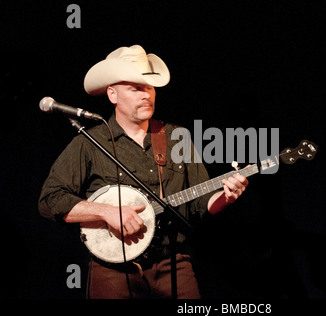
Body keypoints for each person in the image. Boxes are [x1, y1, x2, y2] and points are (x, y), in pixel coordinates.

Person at [38, 44, 248, 299]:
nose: (146, 95)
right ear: (113, 94)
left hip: (173, 262)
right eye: (135, 88)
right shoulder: (89, 143)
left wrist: (226, 197)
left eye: (149, 87)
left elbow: (201, 205)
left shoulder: (176, 137)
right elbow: (50, 200)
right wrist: (106, 212)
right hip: (112, 271)